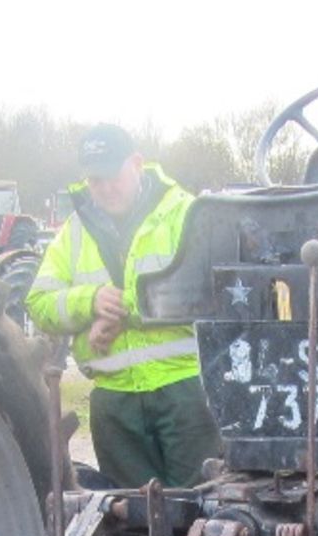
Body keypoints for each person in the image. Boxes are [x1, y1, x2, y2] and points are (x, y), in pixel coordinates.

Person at [26, 124, 221, 488]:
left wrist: (121, 313)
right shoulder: (74, 231)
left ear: (136, 163)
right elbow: (38, 303)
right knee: (129, 522)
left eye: (113, 176)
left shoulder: (187, 215)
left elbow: (212, 292)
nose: (105, 188)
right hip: (115, 404)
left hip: (185, 394)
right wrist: (91, 301)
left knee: (200, 513)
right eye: (94, 181)